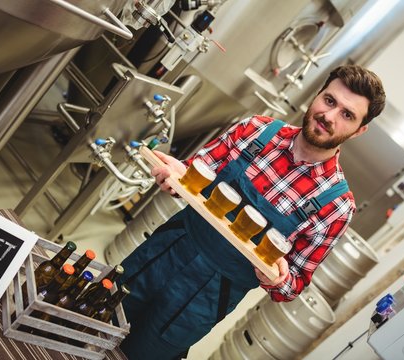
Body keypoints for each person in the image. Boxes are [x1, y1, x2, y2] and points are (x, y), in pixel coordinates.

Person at [118, 64, 386, 359]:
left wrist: (278, 278)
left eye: (347, 115)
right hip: (165, 252)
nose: (329, 116)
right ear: (318, 94)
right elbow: (191, 175)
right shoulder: (256, 130)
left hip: (204, 298)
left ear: (360, 130)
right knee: (97, 312)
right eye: (330, 100)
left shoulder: (336, 206)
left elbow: (292, 285)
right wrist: (175, 177)